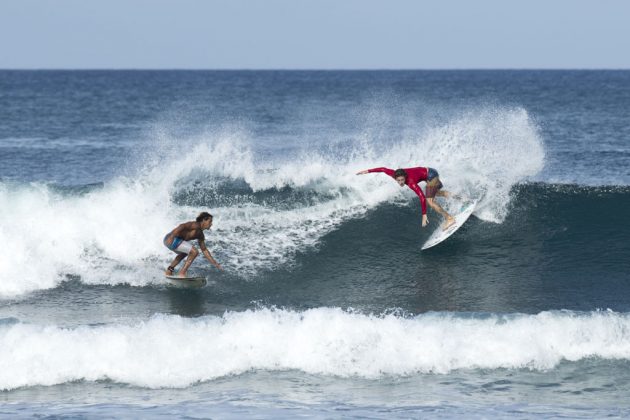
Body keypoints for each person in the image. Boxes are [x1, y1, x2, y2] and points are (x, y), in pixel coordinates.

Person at [356, 166, 456, 230]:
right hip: (429, 172)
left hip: (431, 175)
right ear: (395, 177)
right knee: (437, 193)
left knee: (429, 200)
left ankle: (449, 218)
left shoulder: (410, 182)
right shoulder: (394, 174)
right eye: (398, 180)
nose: (401, 182)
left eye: (402, 180)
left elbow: (421, 196)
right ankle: (460, 198)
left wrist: (424, 214)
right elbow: (383, 169)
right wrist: (368, 171)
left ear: (405, 177)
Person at [163, 212, 222, 277]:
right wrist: (172, 236)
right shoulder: (196, 225)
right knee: (194, 252)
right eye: (210, 221)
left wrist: (215, 263)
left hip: (169, 241)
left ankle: (169, 270)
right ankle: (182, 273)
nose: (211, 224)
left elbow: (204, 250)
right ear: (203, 220)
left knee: (185, 253)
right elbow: (182, 226)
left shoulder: (200, 235)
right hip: (171, 239)